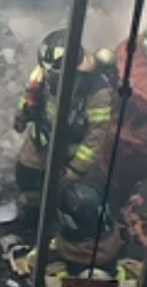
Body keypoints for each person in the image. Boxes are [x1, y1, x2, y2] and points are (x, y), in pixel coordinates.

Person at [12, 29, 118, 224]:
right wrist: (21, 115)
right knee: (25, 177)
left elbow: (96, 135)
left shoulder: (96, 92)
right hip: (41, 138)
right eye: (49, 73)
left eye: (57, 75)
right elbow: (30, 96)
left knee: (61, 191)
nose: (51, 79)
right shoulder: (44, 72)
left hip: (69, 150)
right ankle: (32, 210)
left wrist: (76, 169)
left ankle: (50, 219)